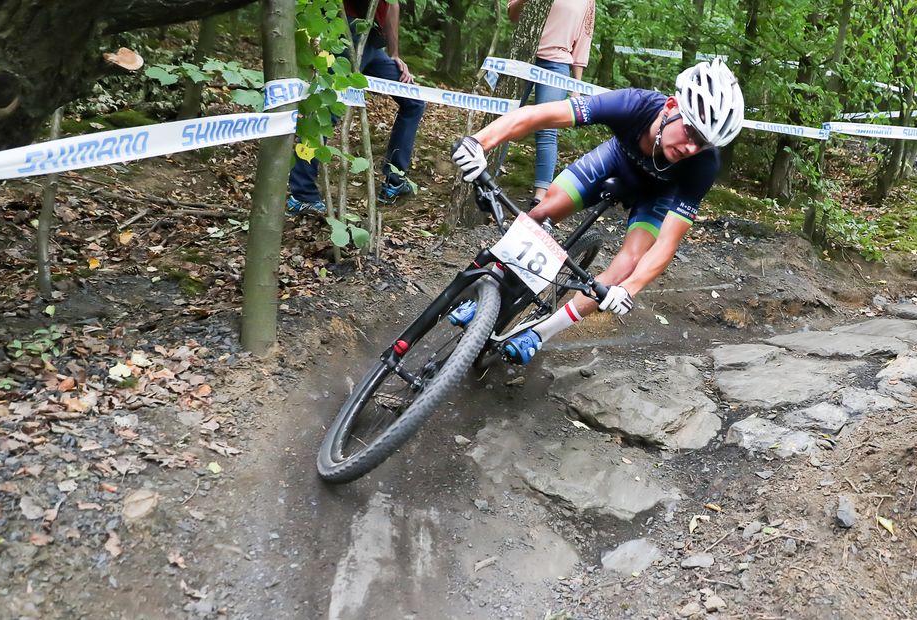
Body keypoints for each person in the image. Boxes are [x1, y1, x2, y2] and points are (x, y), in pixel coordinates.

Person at [452, 60, 744, 364]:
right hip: (615, 161)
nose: (690, 148)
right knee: (543, 212)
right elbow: (541, 115)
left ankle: (539, 334)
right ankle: (488, 288)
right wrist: (479, 142)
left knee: (625, 267)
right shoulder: (633, 104)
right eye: (689, 132)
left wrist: (628, 290)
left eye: (702, 143)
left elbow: (667, 244)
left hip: (655, 197)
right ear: (670, 106)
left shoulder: (704, 165)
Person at [286, 0, 426, 215]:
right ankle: (302, 196)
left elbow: (392, 5)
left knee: (413, 101)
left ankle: (395, 180)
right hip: (345, 29)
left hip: (370, 38)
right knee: (325, 110)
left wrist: (394, 54)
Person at [506, 0, 595, 207]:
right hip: (523, 56)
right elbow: (512, 14)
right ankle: (486, 183)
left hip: (557, 64)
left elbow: (584, 39)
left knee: (547, 128)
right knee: (506, 118)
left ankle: (540, 196)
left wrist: (576, 86)